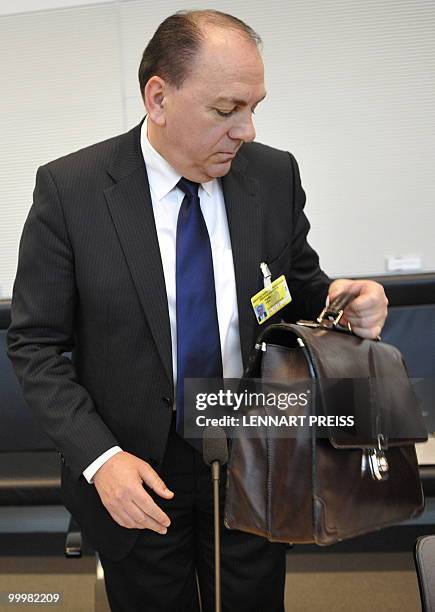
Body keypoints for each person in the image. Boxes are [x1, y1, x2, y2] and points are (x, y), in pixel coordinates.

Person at [7, 9, 388, 612]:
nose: (248, 130)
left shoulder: (273, 175)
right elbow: (36, 346)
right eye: (226, 109)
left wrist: (347, 298)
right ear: (158, 98)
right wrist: (101, 460)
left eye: (255, 106)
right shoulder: (71, 190)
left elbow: (298, 284)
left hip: (255, 449)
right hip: (135, 467)